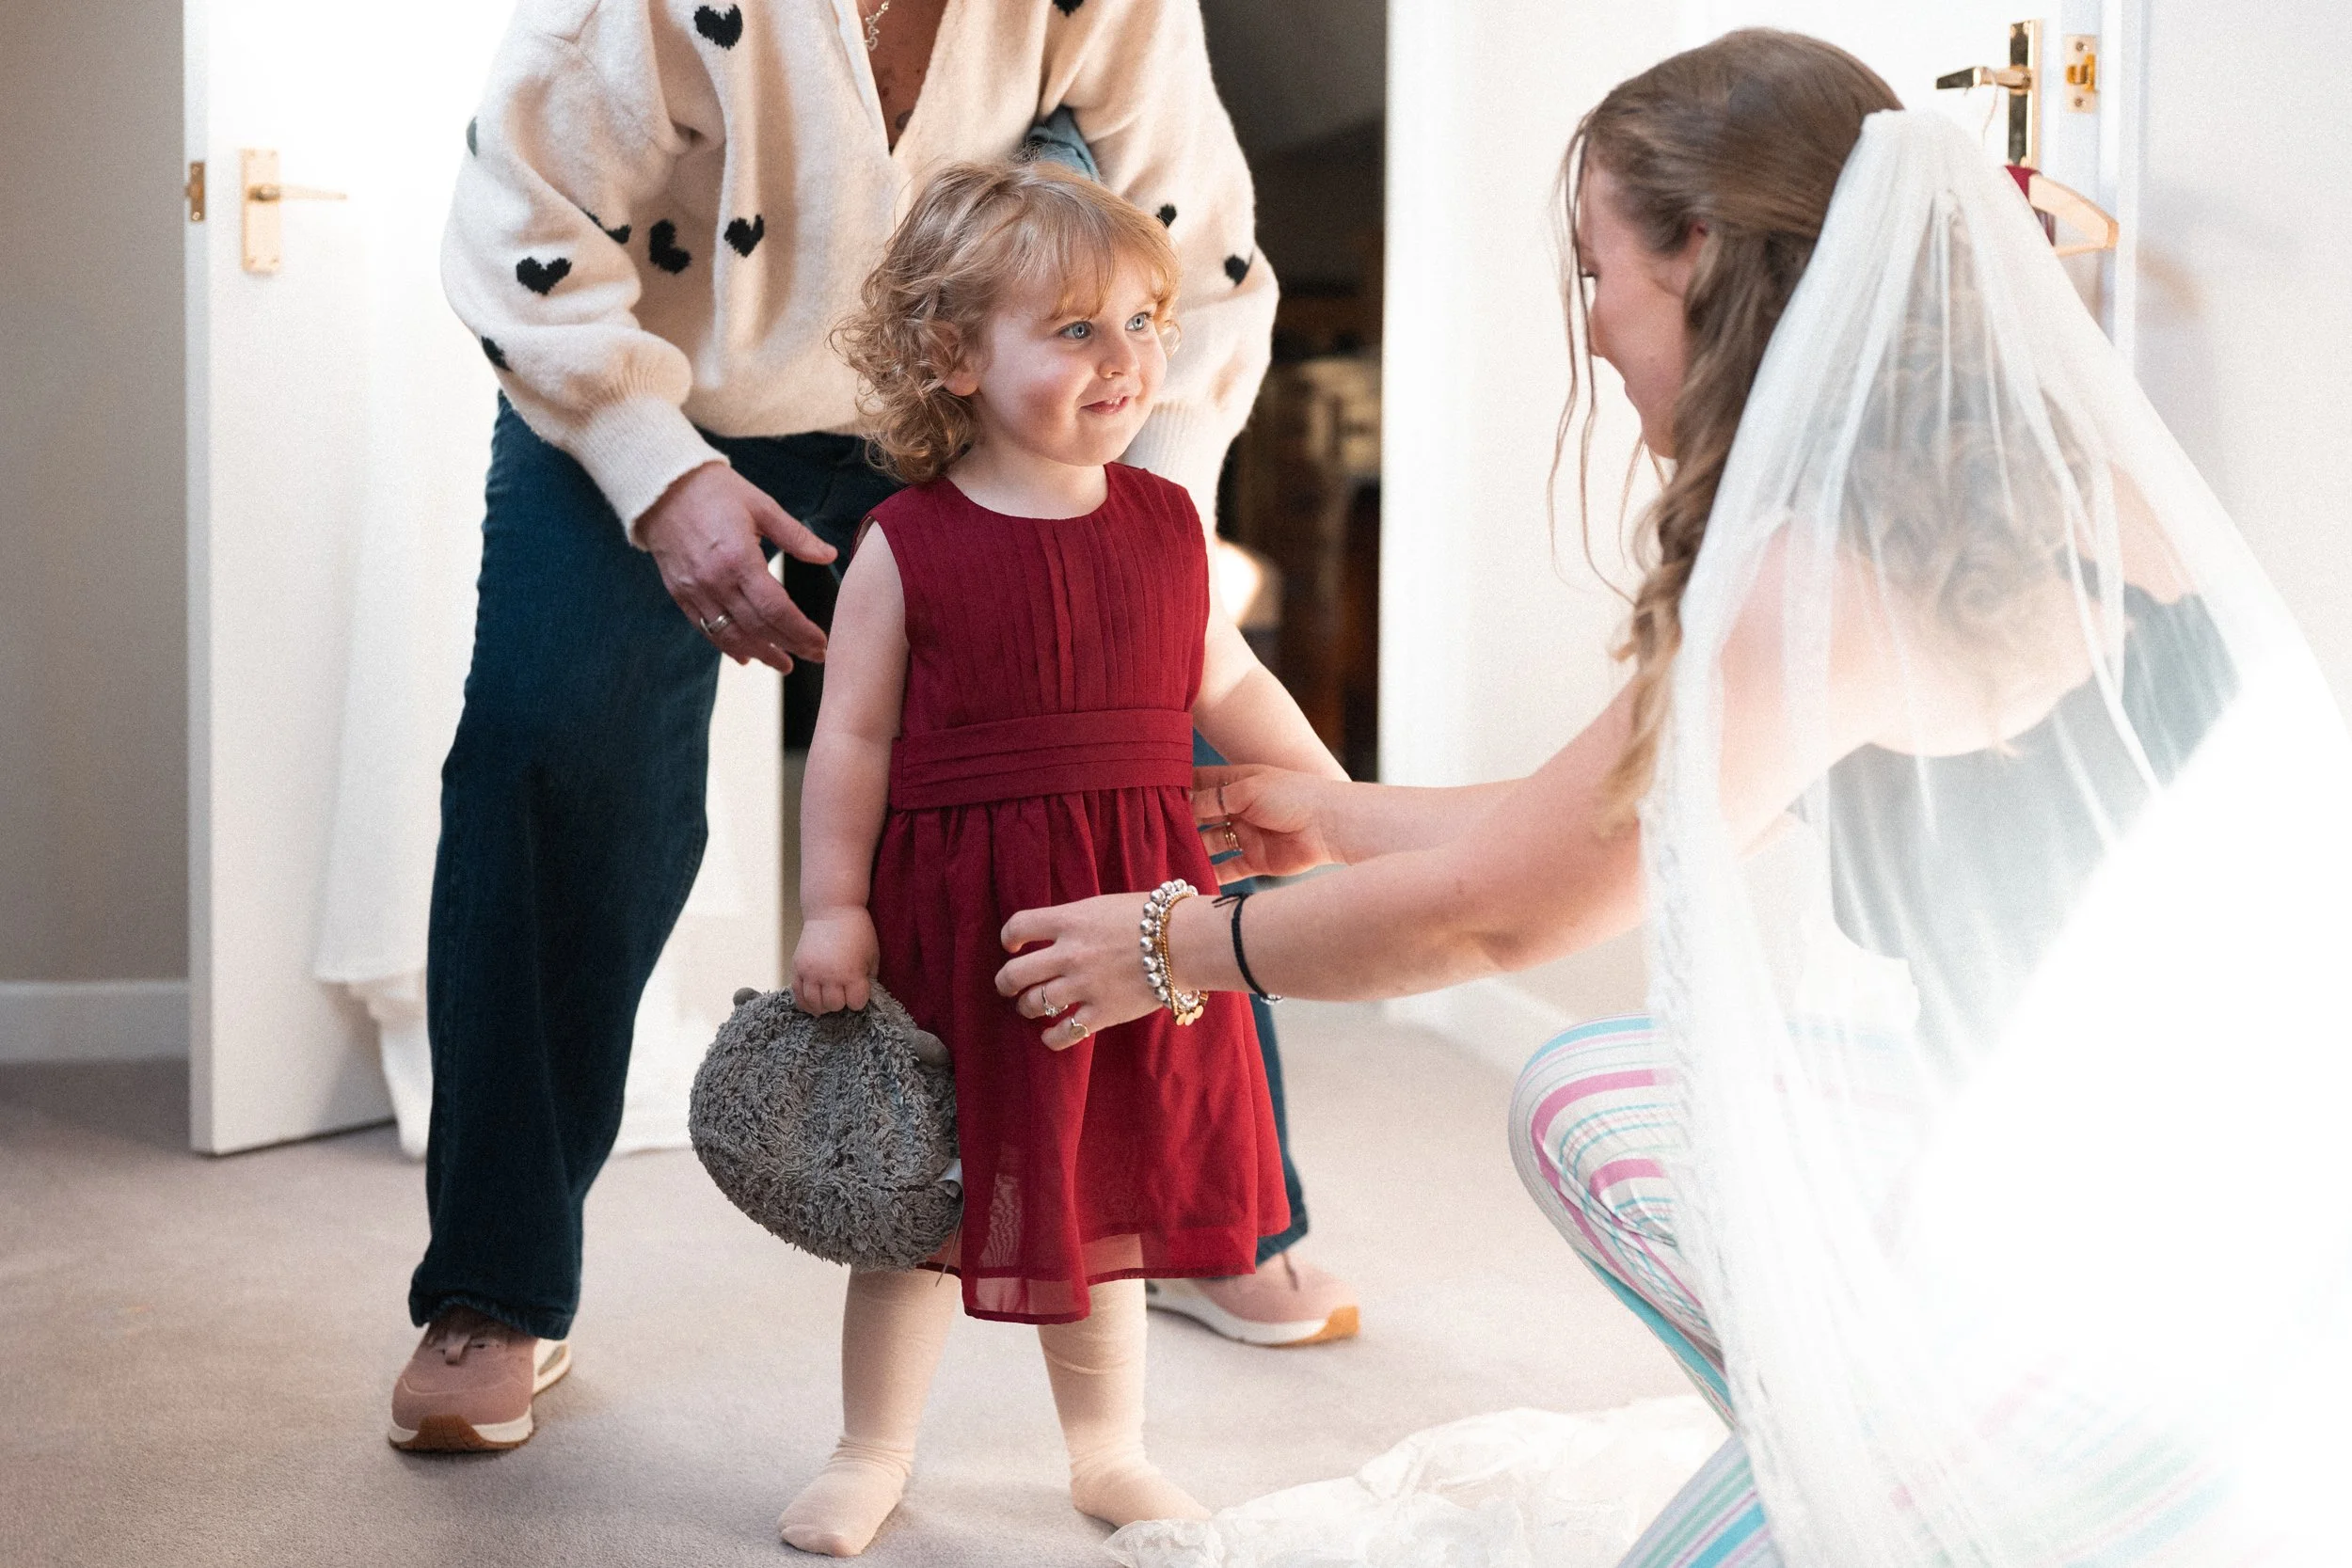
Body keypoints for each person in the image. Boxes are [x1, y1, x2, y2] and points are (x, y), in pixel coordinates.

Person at [994, 29, 2351, 1568]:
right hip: (2184, 1172)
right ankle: (1916, 1438)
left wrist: (1173, 946)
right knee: (1583, 1097)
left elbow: (1498, 909)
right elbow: (1606, 816)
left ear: (1700, 252)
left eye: (1595, 271)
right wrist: (1337, 816)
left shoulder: (1827, 568)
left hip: (2165, 1280)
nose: (1587, 330)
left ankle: (1979, 1479)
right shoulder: (1993, 480)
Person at [388, 0, 1359, 1455]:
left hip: (971, 375)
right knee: (549, 750)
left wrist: (1135, 549)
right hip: (661, 378)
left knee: (1151, 733)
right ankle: (497, 1282)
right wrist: (659, 474)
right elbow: (520, 212)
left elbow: (1193, 241)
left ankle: (1213, 1207)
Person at [777, 159, 1344, 1557]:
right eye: (1078, 328)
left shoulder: (1168, 525)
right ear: (953, 355)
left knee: (1102, 1188)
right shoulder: (907, 543)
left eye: (1145, 323)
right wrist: (833, 909)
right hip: (965, 921)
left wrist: (1332, 796)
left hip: (1142, 915)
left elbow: (1229, 680)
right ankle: (871, 1446)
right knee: (925, 1198)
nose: (1127, 360)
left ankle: (1109, 1450)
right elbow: (848, 742)